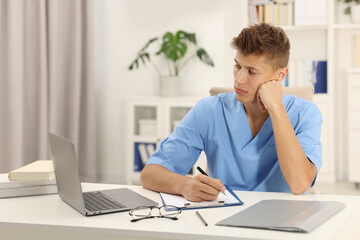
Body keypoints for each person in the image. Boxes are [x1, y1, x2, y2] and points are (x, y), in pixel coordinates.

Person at [140, 23, 322, 201]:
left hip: (283, 220)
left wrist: (276, 108)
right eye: (238, 66)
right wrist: (184, 185)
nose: (239, 79)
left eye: (251, 71)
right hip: (223, 217)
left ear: (280, 76)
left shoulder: (305, 114)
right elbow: (150, 174)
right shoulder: (209, 110)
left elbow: (300, 184)